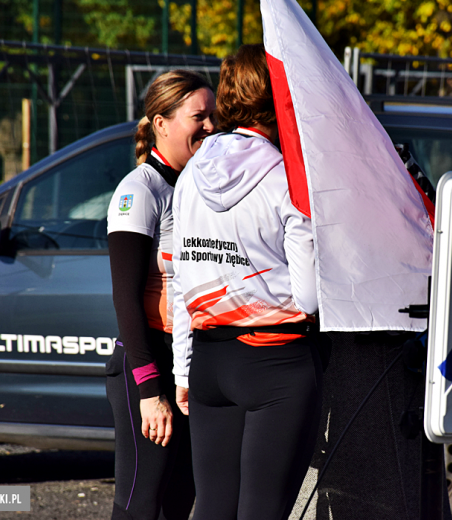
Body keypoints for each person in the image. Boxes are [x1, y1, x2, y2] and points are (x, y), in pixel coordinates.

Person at [171, 44, 322, 520]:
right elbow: (311, 296)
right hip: (277, 361)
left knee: (212, 508)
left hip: (208, 359)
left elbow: (180, 279)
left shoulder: (190, 172)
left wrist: (181, 370)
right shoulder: (287, 178)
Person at [105, 70, 216, 520]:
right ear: (161, 123)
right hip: (146, 366)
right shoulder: (139, 189)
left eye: (214, 116)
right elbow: (125, 300)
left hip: (187, 362)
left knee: (178, 503)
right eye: (199, 116)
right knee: (139, 503)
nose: (210, 127)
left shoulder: (193, 185)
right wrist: (150, 390)